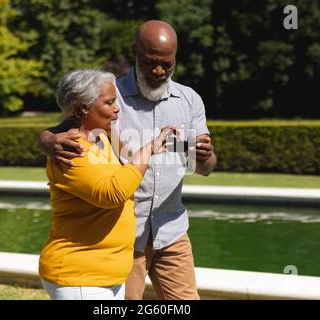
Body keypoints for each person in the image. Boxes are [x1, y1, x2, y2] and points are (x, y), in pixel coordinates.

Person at [39, 20, 217, 300]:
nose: (159, 71)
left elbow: (204, 168)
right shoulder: (109, 94)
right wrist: (47, 140)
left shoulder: (189, 100)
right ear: (135, 51)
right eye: (150, 62)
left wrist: (204, 156)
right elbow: (71, 125)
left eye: (167, 65)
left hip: (172, 230)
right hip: (125, 240)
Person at [38, 69, 175, 300]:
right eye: (109, 102)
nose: (116, 108)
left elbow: (127, 162)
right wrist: (148, 149)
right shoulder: (71, 152)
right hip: (80, 276)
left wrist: (166, 145)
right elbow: (113, 193)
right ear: (83, 107)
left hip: (107, 276)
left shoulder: (101, 137)